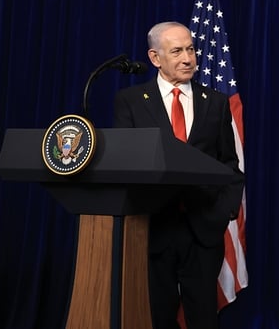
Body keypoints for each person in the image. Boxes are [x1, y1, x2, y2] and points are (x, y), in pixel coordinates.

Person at [114, 21, 244, 329]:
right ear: (155, 58)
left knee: (204, 318)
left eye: (190, 49)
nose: (187, 58)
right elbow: (125, 162)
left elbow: (229, 164)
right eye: (176, 51)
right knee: (156, 317)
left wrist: (224, 211)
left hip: (202, 228)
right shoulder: (131, 101)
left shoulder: (216, 102)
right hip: (153, 229)